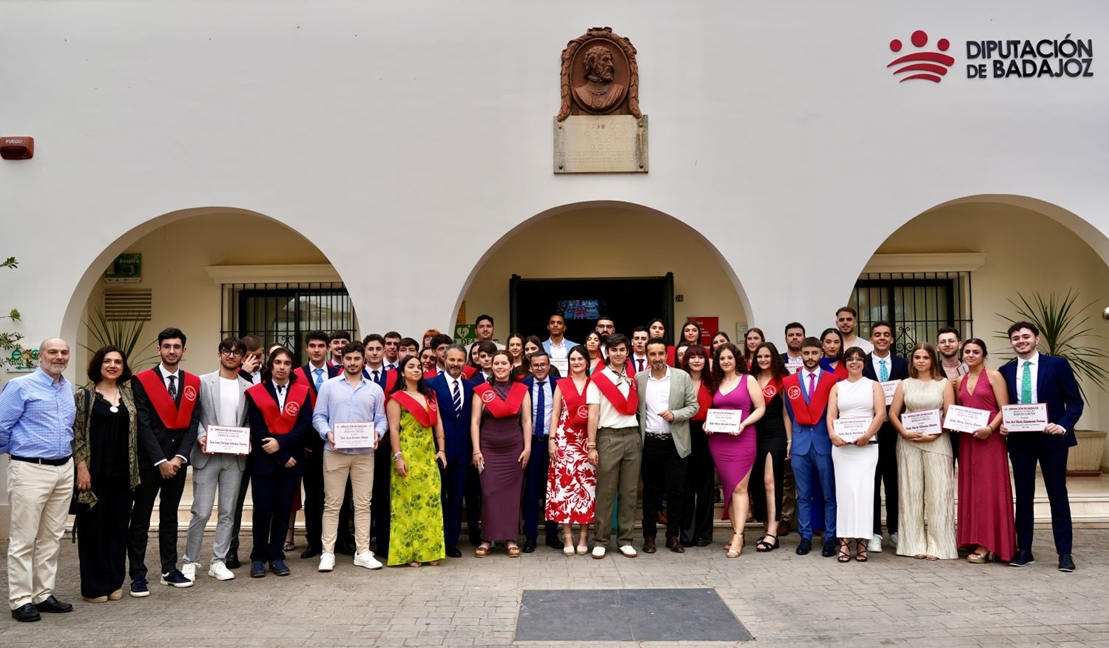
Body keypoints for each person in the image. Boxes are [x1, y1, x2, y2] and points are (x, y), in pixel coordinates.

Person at [0, 338, 76, 622]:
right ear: (40, 356)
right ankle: (20, 600)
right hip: (30, 470)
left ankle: (42, 594)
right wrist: (18, 457)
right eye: (53, 352)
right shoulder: (21, 386)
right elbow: (1, 427)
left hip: (63, 469)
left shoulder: (67, 388)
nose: (59, 357)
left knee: (51, 538)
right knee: (23, 539)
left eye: (64, 352)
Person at [1000, 322, 1083, 572]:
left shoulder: (1057, 365)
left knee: (1058, 496)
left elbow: (1075, 402)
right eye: (1016, 338)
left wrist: (1062, 425)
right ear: (1011, 343)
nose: (1021, 341)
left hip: (1052, 439)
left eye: (1026, 336)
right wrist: (1003, 425)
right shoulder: (1005, 370)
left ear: (1036, 339)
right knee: (1024, 496)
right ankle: (1024, 550)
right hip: (1020, 441)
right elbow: (1002, 406)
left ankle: (1065, 554)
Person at [129, 327, 201, 594]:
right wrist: (161, 460)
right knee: (141, 519)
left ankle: (169, 570)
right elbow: (143, 424)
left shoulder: (193, 382)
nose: (172, 351)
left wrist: (179, 458)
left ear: (184, 350)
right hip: (150, 463)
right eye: (167, 346)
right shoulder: (142, 380)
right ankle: (137, 575)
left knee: (170, 517)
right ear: (158, 349)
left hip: (178, 462)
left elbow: (193, 423)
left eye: (177, 346)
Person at [312, 341, 387, 573]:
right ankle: (327, 552)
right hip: (335, 451)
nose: (353, 363)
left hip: (364, 454)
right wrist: (328, 433)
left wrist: (377, 433)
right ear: (341, 360)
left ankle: (362, 551)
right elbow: (318, 416)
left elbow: (382, 418)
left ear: (363, 361)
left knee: (364, 504)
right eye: (349, 359)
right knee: (333, 504)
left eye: (357, 359)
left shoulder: (374, 389)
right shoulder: (329, 386)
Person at [72, 346, 140, 602]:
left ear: (124, 367)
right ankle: (93, 586)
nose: (113, 365)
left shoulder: (129, 395)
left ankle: (113, 582)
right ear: (98, 364)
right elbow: (76, 433)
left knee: (118, 529)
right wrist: (81, 468)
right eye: (107, 361)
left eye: (118, 362)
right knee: (93, 531)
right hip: (93, 476)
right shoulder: (84, 396)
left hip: (124, 476)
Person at [181, 338, 251, 583]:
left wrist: (247, 440)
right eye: (226, 351)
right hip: (207, 455)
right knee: (200, 511)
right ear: (219, 354)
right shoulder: (202, 382)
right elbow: (193, 415)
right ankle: (190, 561)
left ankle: (218, 561)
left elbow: (249, 421)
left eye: (236, 352)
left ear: (242, 357)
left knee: (227, 512)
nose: (231, 356)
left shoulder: (247, 385)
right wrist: (201, 436)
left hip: (235, 458)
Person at [244, 347, 313, 578]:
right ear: (270, 366)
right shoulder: (256, 392)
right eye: (278, 362)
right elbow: (257, 428)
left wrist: (282, 448)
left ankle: (276, 556)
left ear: (292, 367)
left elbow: (305, 426)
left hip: (291, 461)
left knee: (283, 510)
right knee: (263, 510)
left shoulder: (301, 392)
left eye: (286, 363)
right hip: (265, 462)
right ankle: (258, 557)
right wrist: (280, 455)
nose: (282, 367)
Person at [889, 342, 957, 561]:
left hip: (937, 442)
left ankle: (939, 546)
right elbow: (893, 414)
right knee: (911, 493)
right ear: (912, 361)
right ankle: (913, 543)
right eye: (917, 357)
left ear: (932, 361)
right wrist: (904, 433)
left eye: (925, 358)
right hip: (908, 443)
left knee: (938, 494)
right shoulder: (904, 384)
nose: (920, 361)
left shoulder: (944, 384)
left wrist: (935, 434)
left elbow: (949, 414)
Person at [636, 338, 699, 554]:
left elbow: (694, 406)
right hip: (650, 443)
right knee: (651, 492)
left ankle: (673, 535)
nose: (657, 358)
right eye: (652, 354)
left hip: (676, 443)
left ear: (666, 354)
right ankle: (649, 536)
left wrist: (676, 415)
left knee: (676, 491)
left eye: (660, 353)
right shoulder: (639, 379)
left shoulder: (682, 377)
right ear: (647, 356)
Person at [955, 338, 1015, 564]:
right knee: (971, 488)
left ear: (983, 354)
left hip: (989, 438)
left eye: (976, 351)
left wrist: (990, 428)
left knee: (989, 489)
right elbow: (959, 410)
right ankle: (973, 537)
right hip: (968, 439)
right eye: (967, 351)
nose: (970, 355)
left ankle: (989, 543)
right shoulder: (959, 379)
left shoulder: (994, 376)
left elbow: (1004, 408)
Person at [386, 355, 447, 567]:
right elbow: (393, 429)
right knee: (408, 505)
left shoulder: (430, 395)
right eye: (410, 366)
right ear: (402, 372)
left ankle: (430, 551)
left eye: (418, 366)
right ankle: (410, 554)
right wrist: (398, 457)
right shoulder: (396, 398)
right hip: (407, 455)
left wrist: (442, 450)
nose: (416, 369)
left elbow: (437, 423)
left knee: (430, 503)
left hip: (428, 455)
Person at [471, 350, 532, 557]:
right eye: (495, 363)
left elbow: (526, 421)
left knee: (512, 496)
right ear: (490, 365)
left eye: (503, 363)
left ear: (510, 366)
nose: (499, 366)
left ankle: (510, 538)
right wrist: (476, 449)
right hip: (488, 449)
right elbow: (475, 422)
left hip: (514, 449)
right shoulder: (482, 390)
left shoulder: (522, 390)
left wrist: (528, 447)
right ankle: (487, 538)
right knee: (488, 494)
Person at [826, 347, 885, 563]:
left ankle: (862, 541)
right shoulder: (837, 387)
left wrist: (867, 435)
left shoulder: (873, 385)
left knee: (864, 492)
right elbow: (832, 414)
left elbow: (880, 413)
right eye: (850, 359)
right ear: (845, 362)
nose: (854, 362)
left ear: (864, 363)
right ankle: (845, 541)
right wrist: (832, 435)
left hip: (866, 447)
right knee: (845, 493)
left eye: (859, 359)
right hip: (843, 448)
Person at [709, 343, 766, 558]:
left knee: (741, 487)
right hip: (719, 441)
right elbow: (714, 410)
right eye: (722, 359)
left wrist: (743, 424)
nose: (725, 362)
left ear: (737, 359)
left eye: (729, 358)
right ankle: (735, 532)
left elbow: (760, 408)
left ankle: (740, 536)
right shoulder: (717, 382)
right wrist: (708, 424)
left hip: (743, 438)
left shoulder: (748, 379)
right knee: (729, 489)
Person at [781, 337, 838, 558]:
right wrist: (789, 441)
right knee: (802, 495)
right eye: (807, 353)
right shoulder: (790, 382)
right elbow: (789, 414)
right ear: (800, 355)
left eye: (815, 353)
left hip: (825, 442)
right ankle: (805, 537)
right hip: (800, 444)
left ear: (822, 354)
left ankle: (830, 537)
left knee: (828, 494)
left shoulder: (832, 381)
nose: (811, 357)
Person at [585, 333, 640, 559]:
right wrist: (591, 445)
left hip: (633, 437)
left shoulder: (633, 378)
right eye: (614, 350)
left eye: (622, 350)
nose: (618, 353)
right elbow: (593, 415)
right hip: (608, 437)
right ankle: (600, 539)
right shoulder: (598, 379)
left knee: (629, 491)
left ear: (628, 352)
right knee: (606, 492)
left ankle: (625, 539)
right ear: (607, 352)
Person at [426, 344, 482, 557]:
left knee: (457, 500)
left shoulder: (472, 388)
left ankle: (451, 542)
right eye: (452, 360)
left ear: (465, 362)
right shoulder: (430, 385)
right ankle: (435, 539)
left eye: (460, 360)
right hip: (436, 453)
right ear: (443, 359)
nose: (456, 364)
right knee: (437, 497)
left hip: (462, 454)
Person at [292, 330, 340, 559]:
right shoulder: (296, 374)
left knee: (340, 493)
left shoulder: (339, 373)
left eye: (321, 345)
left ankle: (340, 540)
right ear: (307, 348)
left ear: (328, 348)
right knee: (313, 494)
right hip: (309, 446)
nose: (317, 349)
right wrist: (299, 442)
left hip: (340, 443)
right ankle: (313, 541)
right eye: (312, 345)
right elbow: (292, 412)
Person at [862, 320, 909, 554]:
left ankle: (894, 530)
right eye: (877, 334)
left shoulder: (904, 364)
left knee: (893, 482)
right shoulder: (862, 364)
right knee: (872, 482)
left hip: (895, 431)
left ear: (892, 339)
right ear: (870, 339)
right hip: (870, 431)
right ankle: (874, 533)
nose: (881, 338)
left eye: (886, 335)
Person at [546, 345, 597, 555]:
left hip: (588, 442)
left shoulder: (595, 384)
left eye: (579, 359)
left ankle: (584, 535)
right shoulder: (561, 384)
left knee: (587, 489)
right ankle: (568, 536)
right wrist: (551, 439)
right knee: (565, 489)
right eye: (572, 359)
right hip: (565, 441)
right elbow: (555, 414)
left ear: (587, 361)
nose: (576, 362)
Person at [749, 342, 791, 552]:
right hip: (754, 434)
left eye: (767, 356)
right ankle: (766, 527)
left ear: (773, 357)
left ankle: (773, 532)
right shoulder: (751, 380)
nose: (763, 360)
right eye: (759, 357)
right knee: (757, 482)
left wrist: (789, 441)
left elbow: (786, 413)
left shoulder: (782, 381)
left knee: (770, 481)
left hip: (775, 435)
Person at [522, 352, 560, 552]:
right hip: (532, 444)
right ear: (530, 366)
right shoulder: (523, 386)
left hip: (553, 444)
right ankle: (530, 536)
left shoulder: (559, 384)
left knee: (552, 491)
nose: (539, 368)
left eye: (542, 365)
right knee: (531, 493)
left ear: (548, 365)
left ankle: (553, 535)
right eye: (535, 365)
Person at [678, 345, 716, 547]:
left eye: (700, 357)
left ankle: (704, 532)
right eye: (692, 357)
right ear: (686, 360)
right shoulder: (679, 381)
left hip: (707, 436)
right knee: (685, 486)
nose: (696, 361)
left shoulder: (713, 383)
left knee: (705, 487)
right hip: (683, 434)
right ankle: (686, 532)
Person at [573, 44, 627, 112]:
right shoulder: (580, 92)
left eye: (610, 60)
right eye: (605, 60)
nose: (611, 64)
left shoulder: (617, 90)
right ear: (592, 63)